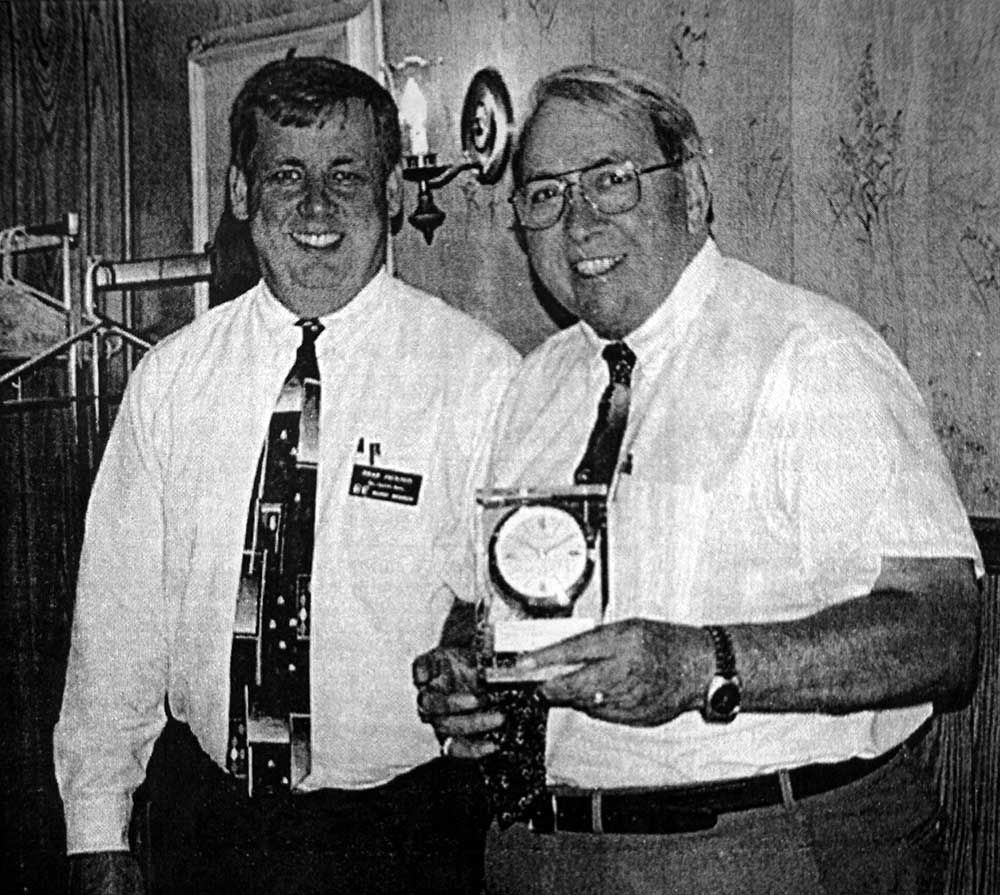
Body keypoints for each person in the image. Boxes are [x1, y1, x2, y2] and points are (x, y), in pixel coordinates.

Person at [413, 64, 983, 895]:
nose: (579, 220)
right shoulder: (532, 385)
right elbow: (492, 598)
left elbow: (943, 632)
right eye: (544, 194)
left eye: (611, 180)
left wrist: (702, 664)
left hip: (759, 847)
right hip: (542, 851)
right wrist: (465, 664)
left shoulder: (809, 357)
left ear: (694, 190)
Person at [55, 56, 519, 895]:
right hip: (211, 828)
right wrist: (97, 831)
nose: (316, 205)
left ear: (388, 194)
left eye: (347, 175)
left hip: (406, 833)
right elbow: (115, 630)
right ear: (240, 193)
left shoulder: (478, 375)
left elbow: (517, 596)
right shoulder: (171, 378)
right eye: (286, 175)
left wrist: (470, 650)